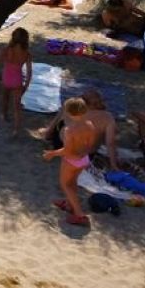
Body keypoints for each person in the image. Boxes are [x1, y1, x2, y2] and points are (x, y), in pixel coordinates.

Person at [42, 97, 94, 227]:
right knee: (73, 182)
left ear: (69, 112)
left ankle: (79, 214)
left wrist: (52, 154)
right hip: (83, 159)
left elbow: (67, 150)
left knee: (65, 185)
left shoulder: (69, 130)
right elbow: (90, 144)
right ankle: (69, 204)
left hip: (71, 160)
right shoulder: (89, 125)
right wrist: (83, 153)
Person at [39, 89, 119, 170]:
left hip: (61, 145)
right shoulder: (108, 117)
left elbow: (55, 123)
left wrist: (48, 135)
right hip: (86, 155)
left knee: (63, 123)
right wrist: (113, 165)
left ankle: (51, 137)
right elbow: (110, 143)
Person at [0, 27, 32, 136]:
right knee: (17, 106)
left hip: (6, 78)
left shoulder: (6, 50)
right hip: (17, 80)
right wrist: (26, 85)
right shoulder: (27, 54)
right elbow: (29, 72)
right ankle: (16, 129)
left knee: (4, 98)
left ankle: (4, 115)